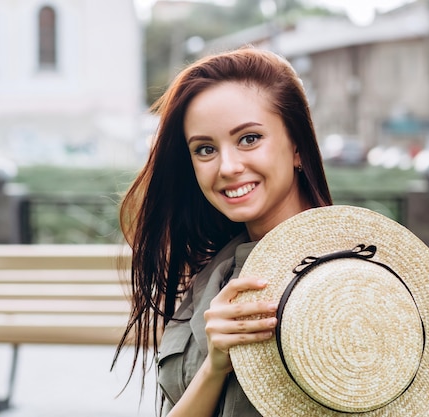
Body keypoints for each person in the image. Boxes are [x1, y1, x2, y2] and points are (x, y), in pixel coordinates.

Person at [112, 47, 332, 416]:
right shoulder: (214, 274)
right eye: (205, 149)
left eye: (249, 139)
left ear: (297, 145)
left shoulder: (355, 275)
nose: (227, 167)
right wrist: (216, 366)